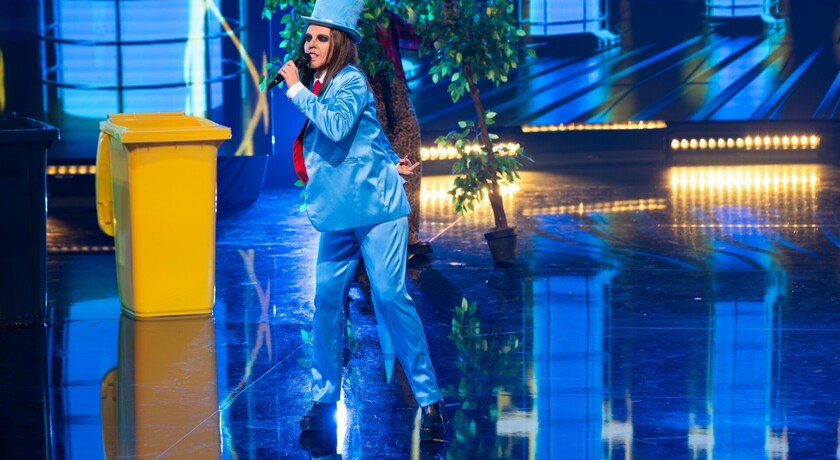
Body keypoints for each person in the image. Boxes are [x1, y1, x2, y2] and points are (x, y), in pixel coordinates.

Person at [275, 0, 447, 441]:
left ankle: (429, 399)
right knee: (326, 300)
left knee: (390, 296)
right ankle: (323, 398)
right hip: (339, 211)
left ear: (340, 44)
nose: (310, 45)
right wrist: (392, 159)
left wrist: (295, 90)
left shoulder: (351, 80)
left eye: (321, 38)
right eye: (308, 37)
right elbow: (368, 133)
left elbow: (336, 125)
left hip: (376, 210)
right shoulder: (320, 82)